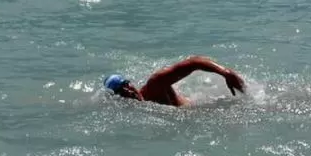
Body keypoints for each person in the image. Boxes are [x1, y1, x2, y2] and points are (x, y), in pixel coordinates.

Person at [103, 55, 246, 107]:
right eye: (121, 91)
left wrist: (225, 73)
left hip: (202, 108)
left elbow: (194, 62)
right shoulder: (133, 110)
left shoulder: (154, 85)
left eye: (126, 84)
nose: (127, 90)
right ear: (116, 98)